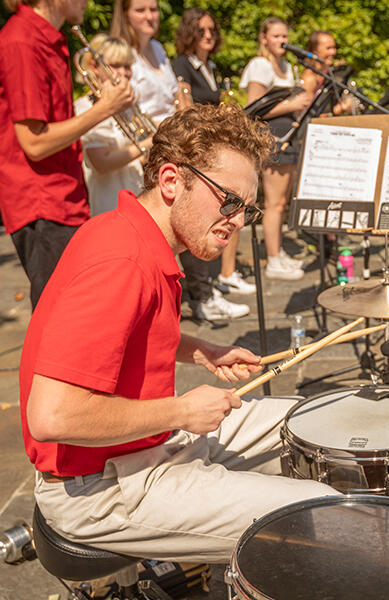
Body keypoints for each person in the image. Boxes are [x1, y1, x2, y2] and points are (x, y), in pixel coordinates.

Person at [21, 103, 336, 563]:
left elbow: (126, 334)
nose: (238, 219)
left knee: (314, 422)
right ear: (171, 181)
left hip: (138, 452)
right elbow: (52, 417)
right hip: (97, 488)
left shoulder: (133, 233)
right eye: (229, 201)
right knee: (320, 515)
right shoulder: (121, 262)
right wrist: (181, 411)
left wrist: (199, 351)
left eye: (247, 208)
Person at [111, 0, 250, 320]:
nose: (150, 16)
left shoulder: (158, 50)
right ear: (125, 14)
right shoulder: (122, 54)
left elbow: (175, 97)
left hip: (169, 143)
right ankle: (165, 301)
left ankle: (197, 293)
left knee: (191, 220)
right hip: (139, 147)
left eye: (154, 9)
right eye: (141, 10)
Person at [0, 0, 135, 308]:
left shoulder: (50, 38)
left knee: (73, 308)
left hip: (62, 195)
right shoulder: (22, 40)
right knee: (59, 313)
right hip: (42, 201)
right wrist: (105, 109)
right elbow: (34, 144)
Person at [172, 7, 256, 298]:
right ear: (189, 34)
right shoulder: (182, 65)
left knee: (233, 211)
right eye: (201, 31)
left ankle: (223, 275)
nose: (208, 35)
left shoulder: (209, 67)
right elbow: (184, 108)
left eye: (212, 30)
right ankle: (204, 288)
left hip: (214, 145)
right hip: (198, 148)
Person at [240, 17, 311, 281]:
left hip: (288, 137)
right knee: (273, 203)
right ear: (264, 39)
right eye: (276, 36)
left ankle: (278, 252)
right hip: (271, 139)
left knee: (282, 203)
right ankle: (272, 258)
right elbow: (254, 107)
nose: (283, 41)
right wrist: (292, 105)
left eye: (285, 36)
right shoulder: (260, 65)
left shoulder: (286, 66)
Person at [74, 34, 151, 216]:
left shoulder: (127, 106)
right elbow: (101, 163)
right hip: (107, 205)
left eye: (127, 66)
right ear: (94, 66)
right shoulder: (87, 107)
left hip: (136, 196)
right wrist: (147, 144)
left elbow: (137, 157)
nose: (123, 73)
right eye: (115, 65)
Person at [301, 30, 354, 116]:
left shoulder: (328, 73)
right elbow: (307, 116)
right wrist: (340, 109)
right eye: (328, 48)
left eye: (334, 48)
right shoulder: (310, 78)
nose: (333, 52)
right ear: (315, 51)